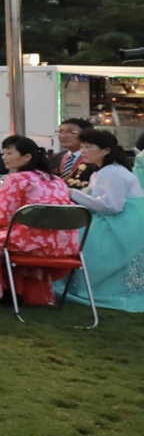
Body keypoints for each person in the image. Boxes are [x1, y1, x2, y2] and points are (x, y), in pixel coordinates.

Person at [0, 136, 78, 307]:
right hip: (63, 244)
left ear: (26, 157)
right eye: (4, 153)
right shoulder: (56, 180)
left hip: (31, 243)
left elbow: (3, 218)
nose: (4, 157)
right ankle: (24, 290)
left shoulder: (17, 179)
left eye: (9, 153)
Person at [57, 129, 144, 312]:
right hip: (117, 220)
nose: (84, 151)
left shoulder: (112, 172)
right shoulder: (104, 171)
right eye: (82, 147)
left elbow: (112, 206)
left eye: (89, 147)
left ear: (105, 150)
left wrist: (74, 194)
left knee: (77, 234)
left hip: (121, 223)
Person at [51, 117, 97, 187]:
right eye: (60, 131)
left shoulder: (94, 159)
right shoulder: (55, 158)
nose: (63, 136)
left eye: (70, 132)